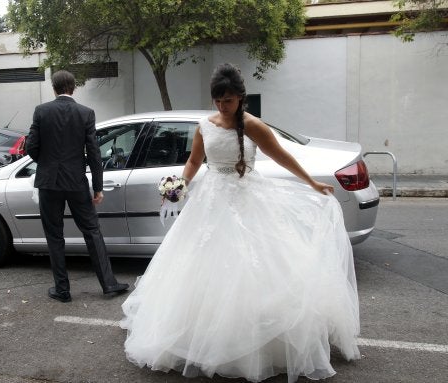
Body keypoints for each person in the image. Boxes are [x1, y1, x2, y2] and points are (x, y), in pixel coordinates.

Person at [120, 63, 360, 382]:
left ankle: (261, 340)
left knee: (257, 265)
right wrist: (181, 184)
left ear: (240, 98)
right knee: (200, 267)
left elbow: (281, 156)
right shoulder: (204, 126)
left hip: (248, 199)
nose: (223, 105)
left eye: (229, 100)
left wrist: (313, 183)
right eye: (218, 100)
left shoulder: (253, 125)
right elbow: (193, 161)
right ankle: (200, 337)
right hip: (210, 201)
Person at [26, 70, 129, 303]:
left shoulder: (41, 111)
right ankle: (109, 284)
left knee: (54, 236)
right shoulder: (86, 113)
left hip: (49, 183)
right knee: (92, 232)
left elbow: (31, 147)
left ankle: (62, 290)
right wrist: (98, 187)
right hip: (76, 182)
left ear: (54, 88)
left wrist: (48, 163)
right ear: (73, 88)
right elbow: (94, 153)